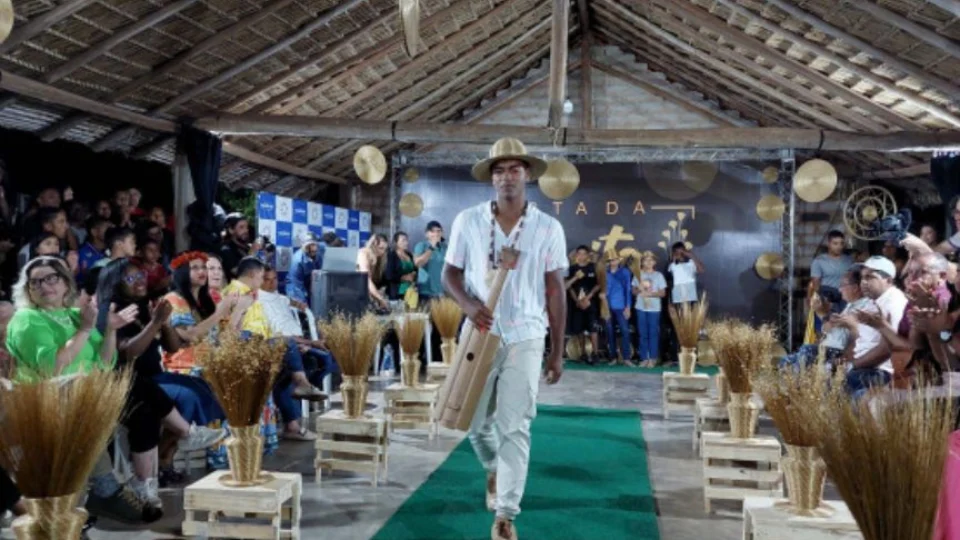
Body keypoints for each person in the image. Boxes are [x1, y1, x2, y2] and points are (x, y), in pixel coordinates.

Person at [442, 137, 567, 540]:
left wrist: (557, 352)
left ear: (527, 174)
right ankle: (494, 468)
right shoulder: (468, 220)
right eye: (499, 170)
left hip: (527, 334)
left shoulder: (548, 227)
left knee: (516, 426)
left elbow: (555, 289)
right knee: (475, 424)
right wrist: (468, 305)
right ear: (491, 178)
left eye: (515, 169)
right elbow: (450, 273)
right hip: (480, 333)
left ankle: (506, 516)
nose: (507, 177)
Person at [221, 256, 319, 441]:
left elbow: (266, 328)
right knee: (287, 351)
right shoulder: (235, 294)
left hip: (262, 344)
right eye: (262, 278)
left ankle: (292, 422)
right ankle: (301, 385)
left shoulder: (252, 295)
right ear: (253, 274)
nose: (263, 283)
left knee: (287, 364)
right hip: (245, 350)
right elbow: (235, 332)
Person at [261, 266, 339, 391]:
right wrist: (312, 343)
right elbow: (279, 336)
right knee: (321, 358)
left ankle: (312, 389)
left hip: (299, 341)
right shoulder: (259, 302)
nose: (272, 283)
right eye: (267, 279)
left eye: (274, 278)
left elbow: (287, 301)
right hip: (285, 345)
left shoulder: (281, 298)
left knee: (335, 353)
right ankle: (306, 390)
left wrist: (298, 304)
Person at [844, 256, 908, 397]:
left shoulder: (894, 302)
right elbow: (858, 339)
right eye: (862, 278)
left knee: (837, 382)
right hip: (864, 367)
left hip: (881, 371)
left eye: (870, 277)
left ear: (888, 280)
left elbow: (887, 350)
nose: (863, 282)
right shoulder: (871, 301)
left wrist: (852, 366)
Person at [565, 245, 600, 364]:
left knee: (593, 329)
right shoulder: (572, 269)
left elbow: (599, 284)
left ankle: (595, 354)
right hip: (577, 304)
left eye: (584, 254)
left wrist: (588, 297)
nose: (581, 256)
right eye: (579, 253)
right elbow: (568, 287)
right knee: (579, 329)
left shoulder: (593, 267)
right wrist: (577, 300)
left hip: (591, 303)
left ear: (588, 255)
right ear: (576, 255)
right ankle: (583, 354)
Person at [632, 251, 666, 368]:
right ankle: (644, 358)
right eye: (646, 260)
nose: (649, 262)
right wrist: (639, 289)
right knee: (642, 333)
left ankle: (653, 358)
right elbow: (633, 291)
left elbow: (662, 293)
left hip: (654, 309)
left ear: (655, 262)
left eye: (651, 260)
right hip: (640, 307)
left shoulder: (658, 275)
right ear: (642, 262)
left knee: (653, 333)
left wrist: (650, 294)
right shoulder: (638, 274)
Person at [603, 249, 633, 365]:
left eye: (614, 259)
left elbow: (628, 290)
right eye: (610, 260)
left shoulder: (625, 272)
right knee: (610, 331)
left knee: (625, 331)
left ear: (619, 260)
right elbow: (603, 291)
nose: (612, 262)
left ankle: (626, 358)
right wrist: (603, 306)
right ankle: (613, 358)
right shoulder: (604, 273)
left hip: (621, 306)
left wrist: (628, 307)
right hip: (607, 306)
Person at [413, 221, 446, 302]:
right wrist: (432, 247)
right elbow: (418, 263)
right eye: (432, 231)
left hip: (442, 292)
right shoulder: (421, 245)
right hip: (426, 292)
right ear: (426, 234)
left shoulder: (445, 247)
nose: (436, 234)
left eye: (438, 231)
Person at [286, 231, 322, 306]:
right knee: (301, 306)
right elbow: (297, 285)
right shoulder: (297, 260)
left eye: (314, 245)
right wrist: (303, 304)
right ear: (303, 246)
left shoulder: (318, 255)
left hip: (308, 284)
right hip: (295, 287)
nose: (312, 248)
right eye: (309, 246)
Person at [357, 233, 389, 309]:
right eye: (381, 248)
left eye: (385, 249)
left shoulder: (377, 258)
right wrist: (379, 298)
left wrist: (378, 294)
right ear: (373, 245)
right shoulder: (363, 254)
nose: (382, 252)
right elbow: (366, 279)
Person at [385, 231, 418, 304]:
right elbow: (389, 275)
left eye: (407, 240)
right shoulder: (391, 255)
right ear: (396, 242)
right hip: (397, 293)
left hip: (411, 292)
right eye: (403, 240)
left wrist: (414, 273)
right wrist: (404, 277)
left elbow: (415, 269)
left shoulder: (409, 255)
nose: (406, 242)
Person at [220, 213, 253, 280]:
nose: (246, 230)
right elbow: (238, 273)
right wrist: (252, 252)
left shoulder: (247, 247)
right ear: (231, 230)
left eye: (247, 227)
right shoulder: (226, 250)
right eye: (241, 227)